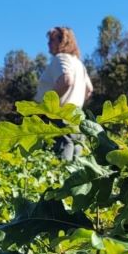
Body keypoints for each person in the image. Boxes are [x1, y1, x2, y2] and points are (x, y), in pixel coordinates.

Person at [35, 25, 93, 159]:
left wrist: (47, 107)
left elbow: (66, 80)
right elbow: (89, 90)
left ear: (63, 41)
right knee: (76, 163)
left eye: (52, 41)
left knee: (61, 160)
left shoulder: (60, 58)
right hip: (77, 118)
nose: (48, 44)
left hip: (59, 116)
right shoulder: (78, 63)